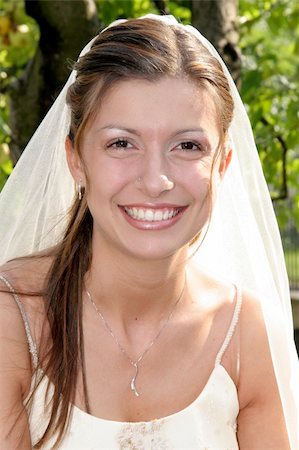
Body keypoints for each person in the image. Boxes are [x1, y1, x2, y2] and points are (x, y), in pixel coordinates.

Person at [0, 14, 298, 449]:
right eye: (122, 143)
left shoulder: (248, 334)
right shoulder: (13, 318)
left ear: (222, 166)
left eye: (188, 146)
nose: (156, 180)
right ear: (76, 160)